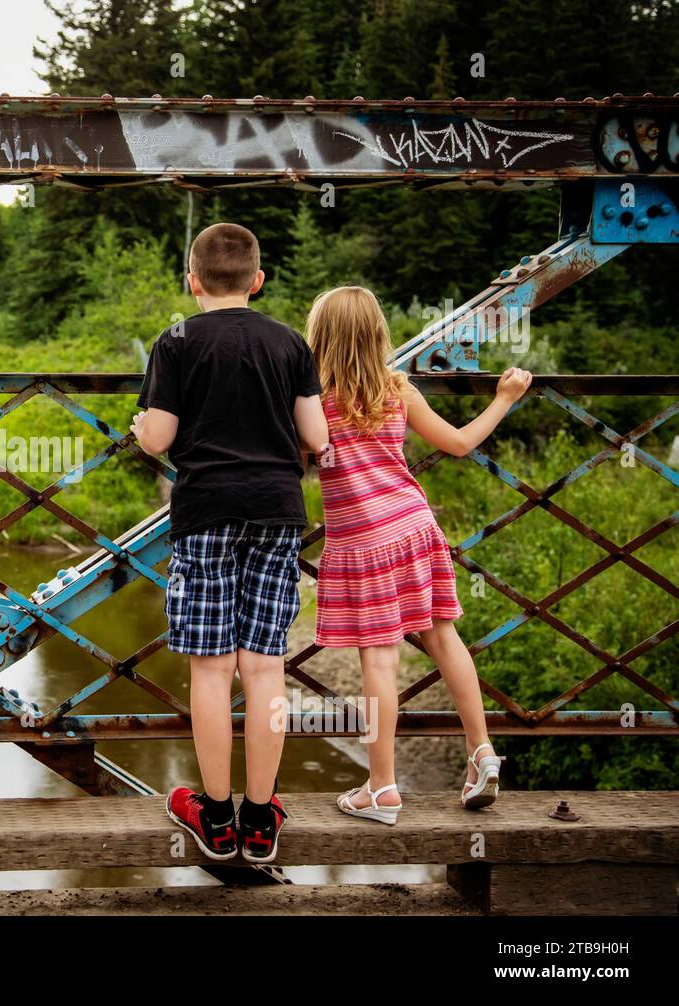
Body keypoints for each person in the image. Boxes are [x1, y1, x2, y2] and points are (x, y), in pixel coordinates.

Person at [132, 223, 328, 863]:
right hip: (275, 510)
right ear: (258, 280)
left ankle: (215, 819)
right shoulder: (289, 341)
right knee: (264, 666)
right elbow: (317, 436)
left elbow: (159, 438)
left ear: (192, 282)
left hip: (206, 512)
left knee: (211, 668)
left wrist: (141, 429)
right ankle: (260, 816)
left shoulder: (177, 340)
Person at [305, 285, 531, 824]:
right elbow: (456, 444)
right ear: (379, 334)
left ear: (318, 338)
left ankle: (381, 788)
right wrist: (503, 399)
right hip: (413, 525)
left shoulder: (311, 401)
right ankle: (481, 753)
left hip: (362, 539)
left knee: (380, 658)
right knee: (443, 636)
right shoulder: (396, 388)